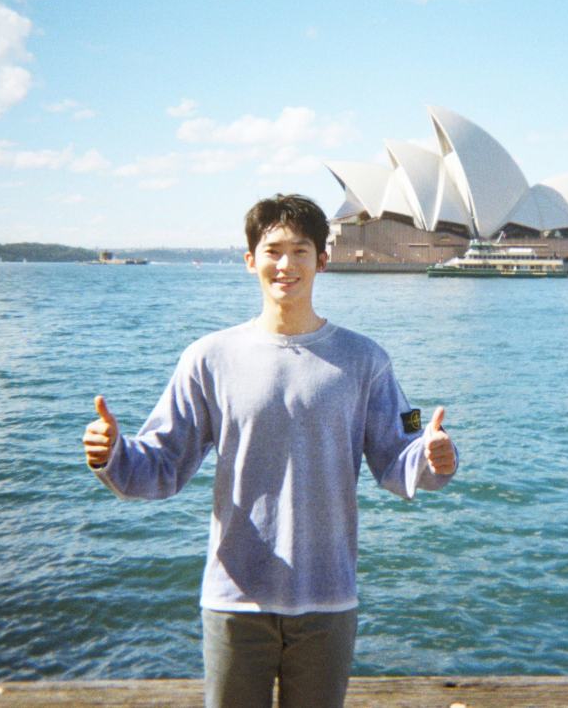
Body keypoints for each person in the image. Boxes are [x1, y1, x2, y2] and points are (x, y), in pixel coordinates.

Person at [82, 193, 458, 708]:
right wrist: (113, 453)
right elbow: (163, 460)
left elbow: (403, 445)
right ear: (249, 260)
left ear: (323, 260)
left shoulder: (368, 359)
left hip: (328, 598)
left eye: (300, 251)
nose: (286, 265)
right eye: (273, 251)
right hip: (235, 598)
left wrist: (433, 456)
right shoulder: (207, 358)